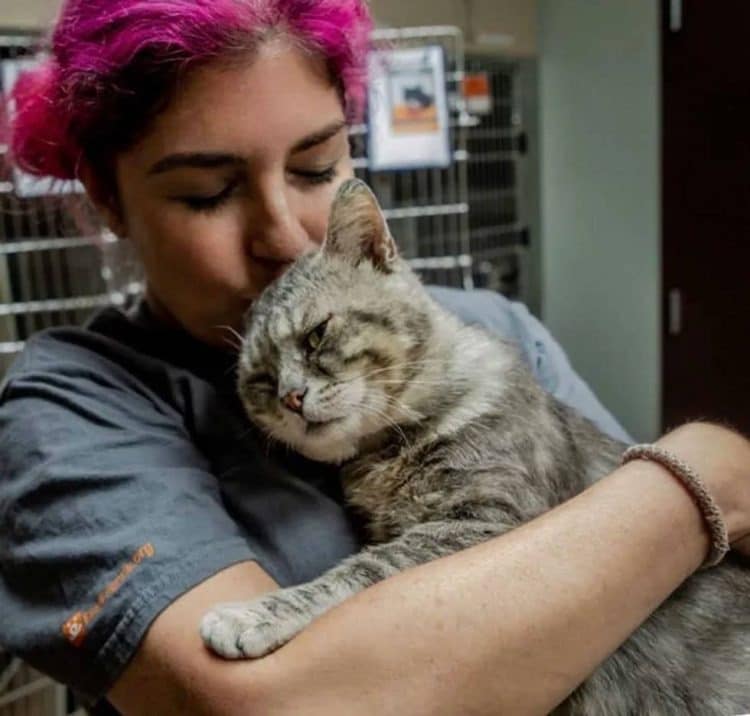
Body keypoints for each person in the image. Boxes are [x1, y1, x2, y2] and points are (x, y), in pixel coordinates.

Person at [0, 1, 749, 714]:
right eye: (208, 193)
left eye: (317, 167)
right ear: (103, 191)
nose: (286, 236)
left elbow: (646, 585)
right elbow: (275, 706)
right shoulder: (76, 409)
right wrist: (702, 477)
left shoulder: (496, 331)